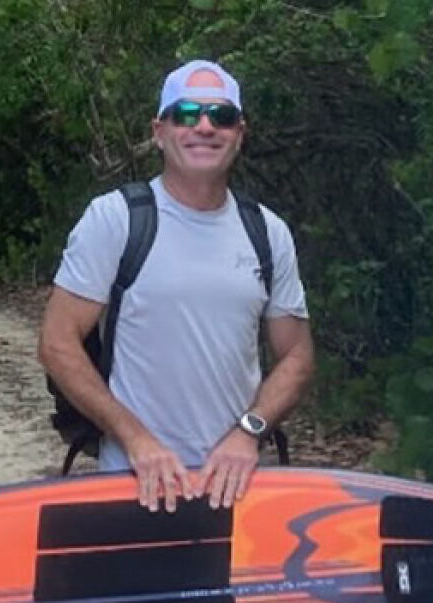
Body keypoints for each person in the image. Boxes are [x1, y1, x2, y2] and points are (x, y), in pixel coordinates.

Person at [38, 59, 315, 513]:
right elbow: (56, 342)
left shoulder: (267, 232)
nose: (204, 127)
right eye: (186, 114)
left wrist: (249, 431)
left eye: (221, 116)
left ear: (239, 134)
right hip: (133, 482)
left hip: (238, 485)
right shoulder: (116, 220)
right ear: (159, 131)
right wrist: (135, 438)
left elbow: (298, 356)